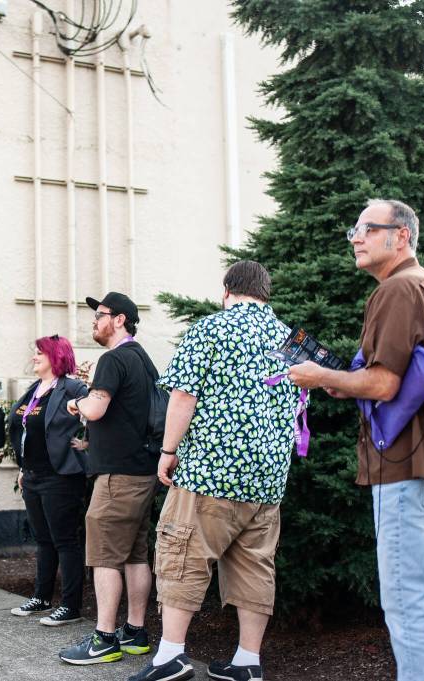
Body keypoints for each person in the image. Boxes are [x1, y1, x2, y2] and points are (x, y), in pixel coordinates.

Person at [289, 200, 424, 681]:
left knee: (407, 604)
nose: (355, 237)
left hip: (408, 468)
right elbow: (392, 378)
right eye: (355, 229)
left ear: (401, 236)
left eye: (366, 229)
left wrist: (318, 375)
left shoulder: (398, 289)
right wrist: (342, 379)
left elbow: (384, 384)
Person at [130, 262, 301, 681]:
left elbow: (183, 396)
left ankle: (170, 656)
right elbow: (298, 405)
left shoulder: (209, 329)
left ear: (228, 290)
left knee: (183, 553)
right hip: (267, 478)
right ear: (266, 292)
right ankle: (248, 661)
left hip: (210, 469)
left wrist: (168, 451)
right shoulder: (293, 339)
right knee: (256, 563)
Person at [59, 291, 157, 665]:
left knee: (104, 555)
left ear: (119, 319)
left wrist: (76, 403)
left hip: (118, 476)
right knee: (134, 553)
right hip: (142, 470)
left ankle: (103, 639)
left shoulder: (114, 358)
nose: (93, 321)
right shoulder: (142, 358)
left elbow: (97, 408)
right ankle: (133, 632)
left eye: (99, 315)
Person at [8, 334, 88, 626]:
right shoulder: (34, 389)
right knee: (43, 540)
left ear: (55, 356)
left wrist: (86, 445)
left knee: (65, 540)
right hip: (32, 475)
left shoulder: (72, 387)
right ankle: (41, 597)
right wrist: (23, 466)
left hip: (60, 477)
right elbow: (23, 428)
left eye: (39, 353)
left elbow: (99, 417)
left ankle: (71, 606)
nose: (34, 357)